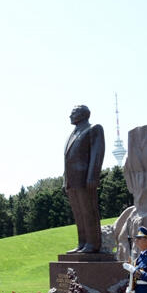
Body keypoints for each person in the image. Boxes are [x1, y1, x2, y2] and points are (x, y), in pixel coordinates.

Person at [63, 105, 105, 253]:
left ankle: (93, 243)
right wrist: (65, 180)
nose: (70, 116)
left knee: (88, 212)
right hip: (72, 181)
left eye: (73, 113)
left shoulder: (94, 129)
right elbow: (68, 160)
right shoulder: (72, 134)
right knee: (79, 214)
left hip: (85, 179)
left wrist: (93, 176)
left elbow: (97, 153)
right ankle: (82, 243)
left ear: (83, 114)